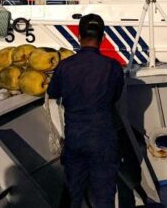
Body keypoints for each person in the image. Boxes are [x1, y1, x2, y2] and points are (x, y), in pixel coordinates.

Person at [47, 14, 124, 208]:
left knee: (73, 194)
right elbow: (116, 96)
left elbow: (53, 92)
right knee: (104, 198)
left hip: (75, 139)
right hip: (103, 139)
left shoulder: (65, 66)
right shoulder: (112, 66)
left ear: (78, 36)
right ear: (103, 37)